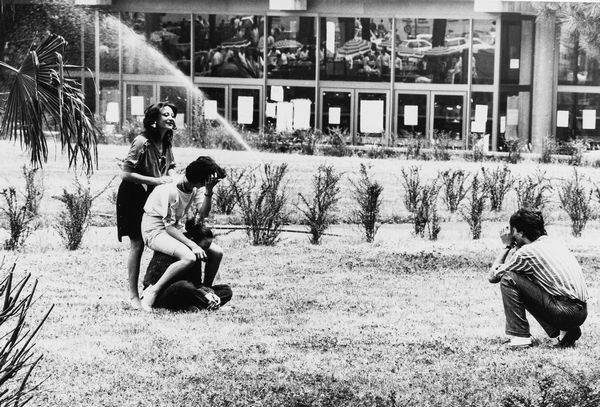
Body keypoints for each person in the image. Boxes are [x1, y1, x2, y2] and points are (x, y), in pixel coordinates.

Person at [488, 209, 588, 349]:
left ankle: (520, 337)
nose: (511, 235)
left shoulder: (527, 253)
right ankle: (567, 332)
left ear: (521, 233)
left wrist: (507, 246)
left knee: (509, 278)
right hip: (581, 312)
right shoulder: (555, 244)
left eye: (513, 231)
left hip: (564, 312)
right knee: (527, 279)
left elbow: (493, 277)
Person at [140, 156, 226, 311]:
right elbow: (168, 227)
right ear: (201, 179)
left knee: (217, 252)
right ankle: (153, 291)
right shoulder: (171, 189)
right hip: (155, 231)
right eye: (208, 182)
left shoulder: (193, 187)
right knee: (189, 258)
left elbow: (203, 214)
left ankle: (205, 290)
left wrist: (209, 192)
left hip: (173, 227)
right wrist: (193, 245)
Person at [117, 102, 178, 309]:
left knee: (161, 241)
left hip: (154, 197)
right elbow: (126, 173)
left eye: (172, 115)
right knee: (138, 244)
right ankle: (133, 296)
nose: (170, 118)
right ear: (154, 120)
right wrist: (157, 181)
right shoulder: (141, 142)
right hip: (133, 196)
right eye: (165, 115)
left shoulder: (167, 142)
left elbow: (169, 169)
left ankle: (151, 289)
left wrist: (173, 178)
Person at [142, 223, 232, 311]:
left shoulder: (196, 253)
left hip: (190, 292)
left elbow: (196, 284)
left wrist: (208, 292)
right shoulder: (175, 249)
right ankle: (207, 305)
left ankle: (201, 304)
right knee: (184, 287)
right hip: (164, 292)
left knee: (226, 290)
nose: (205, 251)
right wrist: (202, 293)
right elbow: (174, 283)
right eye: (204, 247)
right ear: (192, 241)